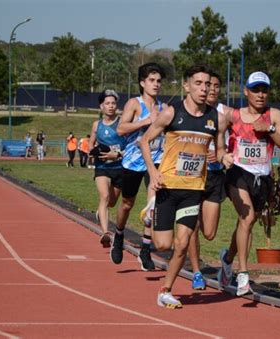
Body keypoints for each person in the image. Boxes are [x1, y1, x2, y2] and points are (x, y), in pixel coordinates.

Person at [141, 64, 228, 308]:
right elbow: (145, 141)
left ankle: (165, 290)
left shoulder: (217, 119)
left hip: (193, 190)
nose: (204, 88)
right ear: (186, 86)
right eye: (198, 83)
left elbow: (219, 150)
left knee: (182, 244)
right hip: (167, 188)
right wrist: (153, 171)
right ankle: (150, 211)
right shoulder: (171, 113)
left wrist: (224, 157)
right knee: (163, 245)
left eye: (208, 84)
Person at [217, 71, 280, 296]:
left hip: (263, 178)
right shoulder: (233, 115)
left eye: (264, 90)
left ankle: (228, 258)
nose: (260, 95)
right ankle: (243, 274)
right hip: (238, 173)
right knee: (247, 218)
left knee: (246, 224)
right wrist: (222, 154)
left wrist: (268, 130)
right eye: (256, 90)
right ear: (246, 91)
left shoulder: (274, 115)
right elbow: (217, 134)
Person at [111, 62, 167, 271]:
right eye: (151, 80)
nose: (156, 84)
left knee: (154, 204)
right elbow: (121, 129)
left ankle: (145, 249)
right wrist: (146, 121)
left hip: (156, 159)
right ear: (142, 83)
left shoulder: (164, 108)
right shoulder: (134, 104)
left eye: (159, 81)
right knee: (127, 203)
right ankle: (118, 234)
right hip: (133, 161)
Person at [187, 71, 233, 290]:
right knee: (192, 226)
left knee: (210, 233)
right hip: (192, 176)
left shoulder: (224, 114)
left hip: (215, 176)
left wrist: (224, 156)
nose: (211, 89)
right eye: (207, 85)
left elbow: (239, 136)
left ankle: (225, 257)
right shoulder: (190, 109)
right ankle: (197, 272)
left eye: (215, 85)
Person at [90, 90, 127, 248]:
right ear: (101, 106)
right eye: (108, 103)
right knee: (104, 196)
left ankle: (101, 213)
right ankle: (105, 232)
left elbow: (131, 147)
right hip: (102, 167)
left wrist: (117, 154)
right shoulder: (96, 125)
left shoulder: (122, 123)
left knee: (111, 202)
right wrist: (94, 151)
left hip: (119, 167)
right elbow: (90, 145)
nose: (111, 106)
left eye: (113, 103)